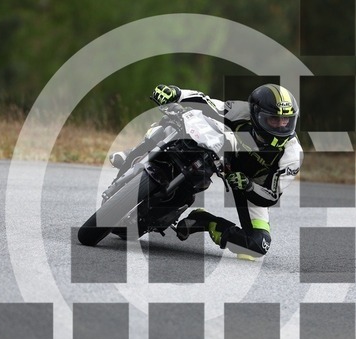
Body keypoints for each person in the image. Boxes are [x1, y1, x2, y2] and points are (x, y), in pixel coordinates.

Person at [110, 83, 303, 258]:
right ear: (255, 114)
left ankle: (205, 221)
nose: (281, 126)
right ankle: (135, 155)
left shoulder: (292, 154)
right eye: (273, 120)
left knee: (258, 245)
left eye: (286, 121)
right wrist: (176, 93)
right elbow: (207, 102)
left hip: (250, 183)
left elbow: (271, 195)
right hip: (222, 155)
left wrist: (248, 186)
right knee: (176, 120)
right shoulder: (241, 111)